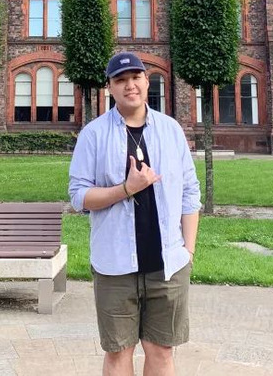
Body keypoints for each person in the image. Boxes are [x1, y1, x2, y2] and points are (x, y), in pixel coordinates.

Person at [68, 51, 201, 376]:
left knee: (162, 351)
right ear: (110, 87)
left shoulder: (170, 130)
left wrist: (188, 251)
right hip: (115, 265)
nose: (130, 85)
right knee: (118, 352)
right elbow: (79, 196)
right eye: (121, 80)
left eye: (136, 77)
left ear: (146, 81)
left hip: (167, 263)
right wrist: (126, 188)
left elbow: (190, 192)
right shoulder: (94, 134)